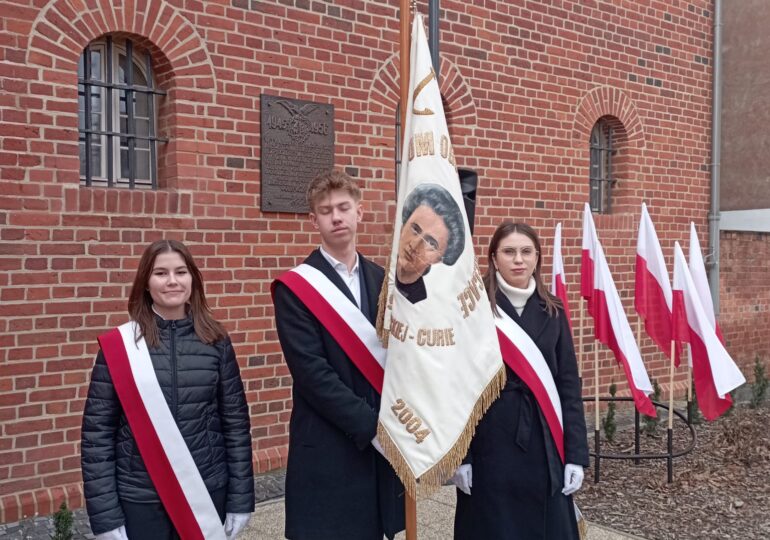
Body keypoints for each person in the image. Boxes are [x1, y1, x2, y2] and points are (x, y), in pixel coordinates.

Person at [81, 240, 255, 540]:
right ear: (146, 283)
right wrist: (105, 517)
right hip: (139, 499)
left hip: (205, 492)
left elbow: (236, 426)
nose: (172, 281)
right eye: (161, 273)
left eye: (181, 272)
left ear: (193, 280)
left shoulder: (217, 342)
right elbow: (97, 436)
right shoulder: (119, 348)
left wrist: (240, 499)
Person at [272, 169, 405, 540]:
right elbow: (312, 373)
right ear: (313, 220)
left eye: (344, 207)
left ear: (359, 212)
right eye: (326, 210)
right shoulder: (295, 288)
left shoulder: (384, 280)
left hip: (379, 446)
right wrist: (372, 427)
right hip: (328, 444)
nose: (337, 217)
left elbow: (399, 356)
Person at [453, 222, 589, 540]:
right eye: (509, 251)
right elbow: (458, 385)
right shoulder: (473, 307)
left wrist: (576, 456)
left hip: (543, 445)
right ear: (494, 258)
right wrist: (461, 456)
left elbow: (568, 385)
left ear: (537, 258)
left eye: (527, 252)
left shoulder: (553, 309)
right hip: (489, 444)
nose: (519, 260)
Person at [395, 183, 465, 304]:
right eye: (415, 229)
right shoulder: (375, 281)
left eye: (431, 243)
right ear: (403, 226)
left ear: (438, 259)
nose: (414, 245)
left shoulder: (430, 304)